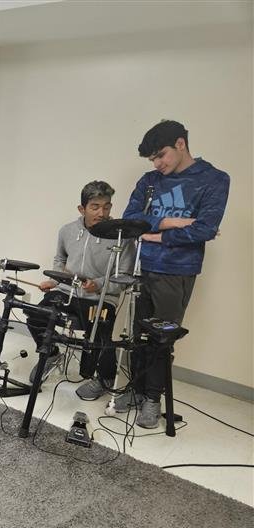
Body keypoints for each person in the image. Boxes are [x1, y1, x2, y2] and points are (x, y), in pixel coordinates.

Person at [120, 120, 229, 428]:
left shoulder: (214, 179)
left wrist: (153, 234)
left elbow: (205, 229)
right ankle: (135, 389)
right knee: (136, 336)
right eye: (152, 159)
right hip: (143, 268)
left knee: (161, 339)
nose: (157, 163)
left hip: (177, 271)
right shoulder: (150, 180)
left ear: (181, 144)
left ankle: (153, 399)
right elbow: (130, 220)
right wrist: (170, 223)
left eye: (161, 155)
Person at [26, 180, 134, 400]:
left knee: (100, 335)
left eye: (107, 206)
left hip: (101, 297)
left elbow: (124, 276)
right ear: (82, 208)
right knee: (35, 315)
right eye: (95, 206)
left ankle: (104, 379)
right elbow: (60, 259)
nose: (102, 213)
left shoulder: (122, 237)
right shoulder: (67, 231)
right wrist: (55, 281)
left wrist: (99, 284)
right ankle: (51, 354)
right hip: (68, 290)